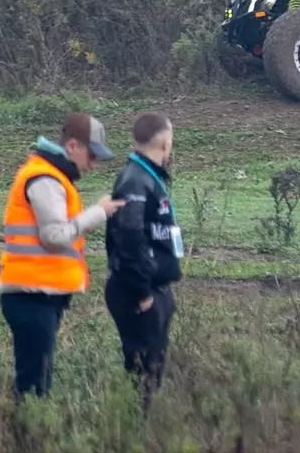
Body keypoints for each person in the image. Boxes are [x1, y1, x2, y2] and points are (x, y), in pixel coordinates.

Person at [0, 112, 125, 401]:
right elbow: (55, 237)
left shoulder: (53, 177)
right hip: (31, 295)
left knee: (36, 384)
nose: (93, 164)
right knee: (33, 390)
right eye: (92, 155)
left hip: (38, 295)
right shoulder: (45, 179)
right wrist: (99, 213)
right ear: (73, 147)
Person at [104, 111, 183, 416]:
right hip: (139, 292)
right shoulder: (134, 181)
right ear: (164, 142)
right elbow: (129, 237)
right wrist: (143, 292)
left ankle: (149, 428)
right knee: (144, 369)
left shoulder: (148, 176)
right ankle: (137, 430)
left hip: (156, 287)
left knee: (155, 367)